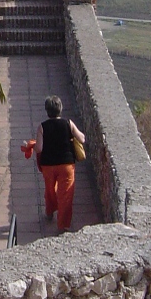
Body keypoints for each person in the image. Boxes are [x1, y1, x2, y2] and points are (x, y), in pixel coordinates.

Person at [34, 95, 86, 234]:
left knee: (50, 190)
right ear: (60, 109)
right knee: (66, 195)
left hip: (48, 165)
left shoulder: (42, 127)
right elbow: (82, 139)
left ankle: (50, 211)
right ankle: (62, 226)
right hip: (66, 165)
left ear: (47, 110)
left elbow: (39, 149)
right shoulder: (68, 123)